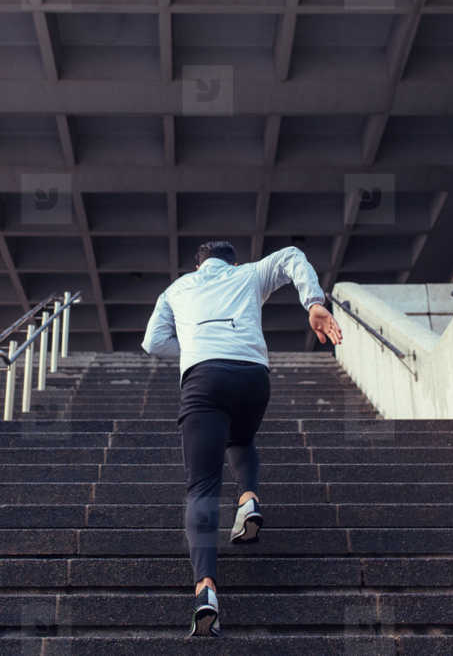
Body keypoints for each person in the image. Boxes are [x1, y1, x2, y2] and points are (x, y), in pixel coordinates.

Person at [140, 240, 343, 638]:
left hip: (204, 378)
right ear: (232, 261)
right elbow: (291, 256)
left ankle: (205, 591)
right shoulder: (248, 274)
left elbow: (151, 343)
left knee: (201, 486)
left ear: (199, 265)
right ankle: (248, 498)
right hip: (253, 375)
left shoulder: (176, 290)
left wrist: (194, 343)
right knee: (241, 438)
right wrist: (314, 303)